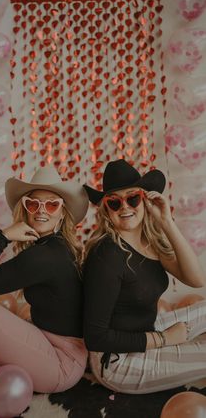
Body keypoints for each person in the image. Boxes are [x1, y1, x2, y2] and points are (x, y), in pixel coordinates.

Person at [82, 159, 206, 394]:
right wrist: (164, 339)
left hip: (145, 330)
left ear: (145, 199)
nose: (125, 207)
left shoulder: (150, 241)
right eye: (114, 202)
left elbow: (197, 280)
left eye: (132, 198)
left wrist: (166, 221)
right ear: (106, 209)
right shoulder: (105, 255)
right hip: (119, 363)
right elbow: (95, 337)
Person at [0, 165, 89, 393]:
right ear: (25, 208)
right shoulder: (54, 247)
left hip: (60, 364)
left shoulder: (43, 256)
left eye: (52, 204)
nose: (41, 211)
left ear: (63, 212)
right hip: (42, 344)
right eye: (33, 203)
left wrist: (3, 237)